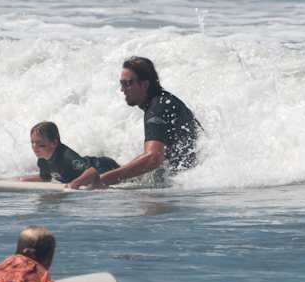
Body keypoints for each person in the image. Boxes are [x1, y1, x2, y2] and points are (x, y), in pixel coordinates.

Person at [85, 56, 201, 187]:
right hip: (184, 179)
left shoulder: (157, 108)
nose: (122, 90)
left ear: (144, 84)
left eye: (127, 84)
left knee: (103, 167)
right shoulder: (164, 101)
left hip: (182, 186)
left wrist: (104, 180)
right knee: (104, 164)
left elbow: (153, 158)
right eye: (121, 84)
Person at [20, 121, 118, 190]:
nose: (34, 147)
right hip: (92, 169)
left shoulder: (66, 156)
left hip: (103, 166)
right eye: (32, 143)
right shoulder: (42, 160)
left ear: (54, 143)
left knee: (127, 181)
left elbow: (92, 171)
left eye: (40, 144)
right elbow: (45, 178)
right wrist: (22, 180)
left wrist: (75, 183)